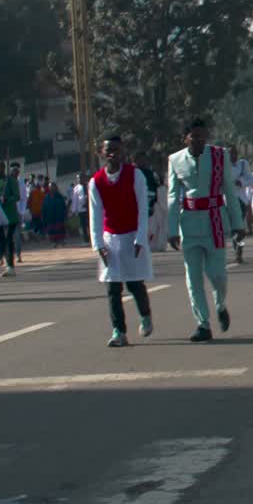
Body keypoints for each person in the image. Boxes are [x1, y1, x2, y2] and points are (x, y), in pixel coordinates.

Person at [168, 117, 245, 342]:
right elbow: (173, 196)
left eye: (203, 136)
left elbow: (230, 192)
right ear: (186, 138)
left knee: (218, 276)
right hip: (189, 225)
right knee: (193, 279)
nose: (200, 140)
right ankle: (203, 324)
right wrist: (172, 229)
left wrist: (238, 224)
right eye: (195, 136)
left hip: (215, 222)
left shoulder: (219, 156)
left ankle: (220, 305)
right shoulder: (175, 160)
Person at [88, 136, 154, 347]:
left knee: (135, 284)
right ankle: (119, 331)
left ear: (123, 152)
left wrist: (140, 237)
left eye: (116, 150)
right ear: (101, 153)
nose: (113, 154)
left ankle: (145, 315)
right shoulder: (96, 182)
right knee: (112, 289)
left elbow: (143, 209)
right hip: (111, 238)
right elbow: (95, 215)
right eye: (109, 150)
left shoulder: (135, 176)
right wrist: (98, 245)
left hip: (132, 235)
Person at [0, 161, 21, 275]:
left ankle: (10, 266)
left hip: (10, 216)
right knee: (0, 241)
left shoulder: (11, 180)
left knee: (8, 241)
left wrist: (7, 199)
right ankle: (3, 261)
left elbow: (17, 196)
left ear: (3, 168)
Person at [43, 181, 69, 247]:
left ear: (55, 187)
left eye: (52, 186)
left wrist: (65, 215)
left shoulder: (59, 196)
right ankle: (54, 242)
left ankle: (62, 241)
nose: (51, 188)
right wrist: (44, 217)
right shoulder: (46, 197)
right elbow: (44, 208)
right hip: (50, 217)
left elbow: (63, 206)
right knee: (52, 230)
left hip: (59, 217)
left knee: (60, 229)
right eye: (50, 186)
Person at [70, 172, 90, 246]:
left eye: (81, 177)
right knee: (83, 225)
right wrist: (74, 210)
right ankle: (86, 240)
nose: (79, 179)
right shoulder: (76, 188)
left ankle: (92, 238)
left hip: (89, 208)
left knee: (90, 224)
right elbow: (75, 200)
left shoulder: (89, 185)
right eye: (78, 178)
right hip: (81, 210)